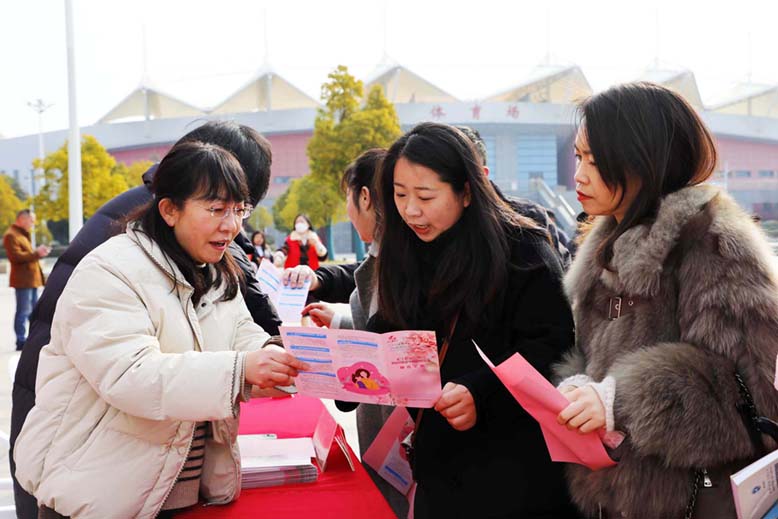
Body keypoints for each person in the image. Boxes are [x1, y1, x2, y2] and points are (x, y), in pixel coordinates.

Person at [13, 141, 309, 518]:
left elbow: (242, 336)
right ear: (169, 209)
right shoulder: (111, 270)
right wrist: (241, 369)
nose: (232, 225)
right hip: (98, 497)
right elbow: (131, 376)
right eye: (217, 209)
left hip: (175, 494)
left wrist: (285, 355)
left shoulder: (213, 273)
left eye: (239, 210)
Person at [553, 82, 778, 518]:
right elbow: (597, 360)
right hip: (616, 496)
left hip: (691, 500)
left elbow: (757, 395)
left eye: (595, 161)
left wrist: (620, 400)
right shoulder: (604, 250)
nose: (578, 175)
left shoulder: (712, 242)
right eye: (578, 157)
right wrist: (581, 386)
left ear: (642, 160)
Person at [369, 122, 576, 518]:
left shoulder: (521, 249)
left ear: (466, 192)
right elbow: (393, 326)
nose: (411, 210)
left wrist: (481, 391)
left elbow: (553, 346)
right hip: (439, 469)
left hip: (516, 473)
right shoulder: (406, 248)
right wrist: (342, 358)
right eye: (400, 195)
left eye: (426, 196)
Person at [298, 149, 411, 518]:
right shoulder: (390, 258)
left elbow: (391, 350)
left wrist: (320, 353)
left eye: (349, 196)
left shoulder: (394, 267)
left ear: (364, 197)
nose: (348, 209)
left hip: (400, 432)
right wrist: (338, 323)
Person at [3, 209, 50, 350]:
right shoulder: (11, 235)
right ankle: (21, 341)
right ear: (22, 219)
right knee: (23, 311)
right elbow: (16, 257)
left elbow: (27, 256)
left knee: (34, 312)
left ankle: (32, 339)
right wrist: (36, 253)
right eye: (31, 220)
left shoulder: (22, 235)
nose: (33, 224)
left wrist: (37, 254)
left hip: (31, 280)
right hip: (23, 281)